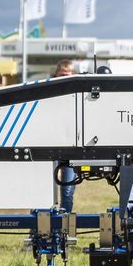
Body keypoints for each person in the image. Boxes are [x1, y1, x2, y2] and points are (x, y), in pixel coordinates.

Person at [52, 60, 76, 210]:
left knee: (67, 190)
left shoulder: (78, 94)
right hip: (49, 146)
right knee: (45, 189)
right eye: (62, 75)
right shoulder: (47, 92)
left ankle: (65, 221)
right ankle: (41, 222)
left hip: (70, 148)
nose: (65, 78)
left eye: (68, 75)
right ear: (56, 74)